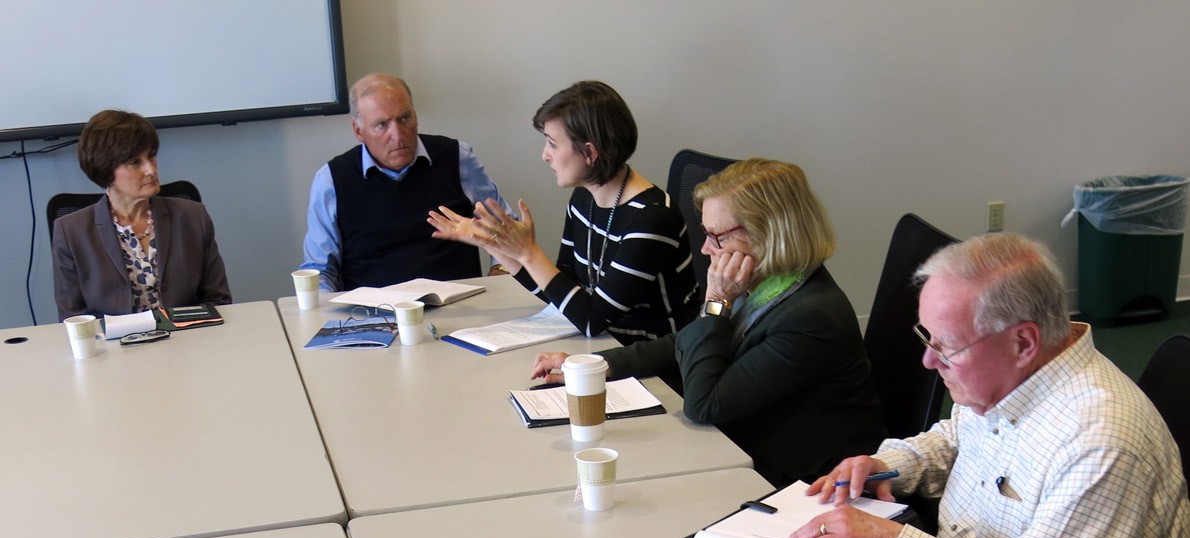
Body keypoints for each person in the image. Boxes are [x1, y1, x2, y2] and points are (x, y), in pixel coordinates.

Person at [785, 233, 1190, 538]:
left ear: (1023, 342)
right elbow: (956, 436)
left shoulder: (1100, 444)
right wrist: (887, 465)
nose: (928, 361)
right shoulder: (1014, 376)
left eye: (946, 346)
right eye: (927, 337)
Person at [528, 159, 886, 487]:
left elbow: (704, 405)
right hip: (742, 444)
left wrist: (717, 303)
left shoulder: (811, 316)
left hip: (800, 480)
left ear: (769, 233)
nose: (705, 249)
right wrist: (597, 365)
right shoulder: (768, 280)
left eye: (719, 237)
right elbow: (687, 340)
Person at [429, 80, 699, 344]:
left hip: (656, 366)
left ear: (589, 152)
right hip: (604, 350)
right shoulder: (584, 198)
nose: (545, 155)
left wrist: (529, 252)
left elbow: (593, 319)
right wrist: (492, 243)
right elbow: (562, 293)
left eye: (553, 144)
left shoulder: (651, 219)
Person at [301, 73, 510, 291]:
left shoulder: (457, 158)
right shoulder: (332, 181)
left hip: (462, 304)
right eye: (382, 125)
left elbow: (506, 229)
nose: (398, 135)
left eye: (404, 119)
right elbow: (321, 271)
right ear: (358, 131)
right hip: (376, 315)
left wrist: (499, 275)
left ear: (416, 116)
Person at [52, 110, 231, 321]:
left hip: (188, 341)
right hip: (115, 348)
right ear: (105, 169)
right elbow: (73, 319)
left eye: (151, 156)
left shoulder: (193, 217)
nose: (150, 169)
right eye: (134, 162)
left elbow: (218, 301)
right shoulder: (71, 231)